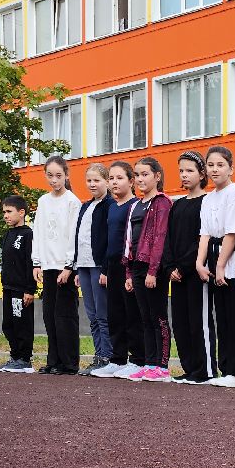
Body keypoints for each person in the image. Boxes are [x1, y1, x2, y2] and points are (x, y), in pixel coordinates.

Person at [199, 145, 235, 388]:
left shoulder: (234, 193)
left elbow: (232, 233)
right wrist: (200, 263)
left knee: (233, 315)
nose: (215, 170)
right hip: (212, 257)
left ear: (231, 168)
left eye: (220, 165)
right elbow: (205, 234)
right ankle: (224, 367)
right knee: (221, 318)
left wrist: (220, 266)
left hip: (229, 259)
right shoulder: (208, 198)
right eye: (211, 165)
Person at [30, 156, 82, 375]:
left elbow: (73, 235)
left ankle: (69, 363)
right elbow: (39, 232)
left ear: (66, 175)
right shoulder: (43, 201)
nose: (54, 180)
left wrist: (68, 266)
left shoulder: (72, 201)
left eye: (58, 176)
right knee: (49, 315)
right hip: (47, 266)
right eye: (50, 176)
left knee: (65, 316)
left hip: (64, 267)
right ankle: (53, 361)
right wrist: (37, 262)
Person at [166, 151, 213, 384]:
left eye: (190, 171)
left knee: (198, 322)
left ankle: (203, 370)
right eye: (181, 171)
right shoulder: (177, 205)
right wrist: (170, 267)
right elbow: (169, 238)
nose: (184, 175)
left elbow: (201, 240)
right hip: (177, 275)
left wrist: (184, 266)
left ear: (202, 173)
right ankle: (188, 368)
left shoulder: (207, 202)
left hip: (195, 273)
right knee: (181, 323)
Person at [125, 157, 173, 381]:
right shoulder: (136, 204)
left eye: (145, 174)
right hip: (136, 266)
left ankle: (162, 366)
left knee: (158, 316)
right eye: (137, 175)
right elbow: (129, 240)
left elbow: (160, 238)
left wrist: (153, 271)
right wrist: (128, 272)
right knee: (144, 317)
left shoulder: (162, 202)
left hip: (153, 267)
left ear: (157, 176)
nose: (140, 179)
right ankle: (149, 362)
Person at [96, 160, 142, 378]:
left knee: (130, 313)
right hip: (112, 266)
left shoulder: (135, 206)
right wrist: (105, 269)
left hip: (128, 266)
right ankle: (117, 358)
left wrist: (131, 271)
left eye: (119, 178)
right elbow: (109, 241)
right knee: (114, 313)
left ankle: (137, 359)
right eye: (111, 178)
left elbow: (133, 240)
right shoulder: (112, 207)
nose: (114, 182)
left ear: (131, 181)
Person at [71, 163, 113, 373]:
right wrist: (77, 267)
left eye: (97, 180)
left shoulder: (110, 205)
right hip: (84, 266)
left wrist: (106, 268)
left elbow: (110, 240)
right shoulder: (85, 206)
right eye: (89, 180)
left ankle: (107, 355)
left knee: (103, 313)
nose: (92, 184)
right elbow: (80, 238)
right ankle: (98, 355)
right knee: (92, 314)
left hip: (99, 266)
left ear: (106, 181)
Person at [0, 194, 37, 373]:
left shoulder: (28, 234)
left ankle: (24, 359)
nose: (5, 215)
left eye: (9, 211)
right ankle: (15, 356)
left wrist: (30, 289)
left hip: (21, 290)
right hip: (8, 288)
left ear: (21, 212)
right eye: (4, 212)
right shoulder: (8, 234)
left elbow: (30, 263)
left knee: (22, 323)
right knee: (9, 324)